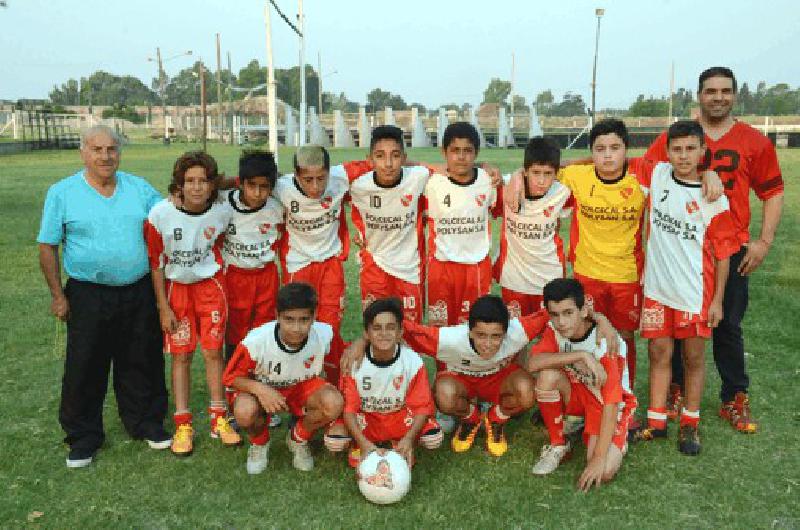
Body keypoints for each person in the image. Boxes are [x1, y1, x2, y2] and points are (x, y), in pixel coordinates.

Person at [643, 67, 784, 433]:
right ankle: (674, 391)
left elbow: (773, 192)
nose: (717, 97)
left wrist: (763, 241)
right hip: (680, 247)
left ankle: (734, 397)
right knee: (675, 326)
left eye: (725, 91)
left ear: (735, 95)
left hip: (728, 247)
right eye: (710, 91)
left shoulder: (754, 141)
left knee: (725, 325)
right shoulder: (678, 137)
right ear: (699, 95)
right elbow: (650, 170)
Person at [37, 125, 170, 468]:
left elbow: (173, 210)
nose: (105, 156)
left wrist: (222, 185)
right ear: (83, 152)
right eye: (97, 149)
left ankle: (146, 422)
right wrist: (57, 296)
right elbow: (48, 246)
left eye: (111, 149)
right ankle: (83, 437)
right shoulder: (62, 193)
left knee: (142, 358)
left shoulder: (138, 188)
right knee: (85, 365)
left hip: (138, 289)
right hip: (87, 292)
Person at [344, 295, 620, 457]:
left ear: (507, 330)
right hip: (463, 382)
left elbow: (559, 310)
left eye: (496, 337)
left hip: (499, 380)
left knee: (527, 388)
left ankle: (495, 420)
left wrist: (602, 320)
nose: (488, 344)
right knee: (443, 393)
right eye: (481, 336)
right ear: (469, 330)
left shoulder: (518, 330)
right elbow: (397, 329)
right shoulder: (448, 339)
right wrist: (361, 341)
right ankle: (470, 420)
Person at [633, 121, 739, 454]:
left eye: (691, 149)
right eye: (677, 149)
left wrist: (718, 300)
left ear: (702, 152)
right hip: (657, 289)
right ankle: (657, 421)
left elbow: (723, 256)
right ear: (666, 152)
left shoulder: (714, 199)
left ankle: (690, 424)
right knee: (659, 353)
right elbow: (607, 163)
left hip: (695, 293)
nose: (683, 156)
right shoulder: (658, 175)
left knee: (693, 357)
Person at [144, 151, 242, 457]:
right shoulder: (160, 214)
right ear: (179, 184)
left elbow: (247, 184)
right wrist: (163, 307)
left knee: (213, 353)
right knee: (181, 356)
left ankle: (218, 418)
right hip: (176, 292)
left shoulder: (222, 212)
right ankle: (183, 424)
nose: (197, 187)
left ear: (213, 185)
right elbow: (156, 263)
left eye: (203, 181)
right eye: (190, 181)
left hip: (211, 288)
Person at [223, 282, 345, 474]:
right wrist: (261, 390)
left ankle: (298, 438)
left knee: (333, 402)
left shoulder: (325, 335)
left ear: (314, 316)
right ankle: (260, 444)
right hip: (264, 389)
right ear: (277, 316)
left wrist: (338, 421)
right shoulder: (256, 341)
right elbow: (230, 378)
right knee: (245, 411)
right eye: (289, 319)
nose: (296, 328)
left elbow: (341, 370)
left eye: (304, 319)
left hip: (302, 388)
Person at [528, 278, 636, 491]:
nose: (561, 322)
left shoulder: (604, 343)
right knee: (547, 377)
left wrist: (597, 458)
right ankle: (558, 443)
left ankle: (620, 435)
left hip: (606, 404)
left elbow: (611, 403)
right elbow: (533, 364)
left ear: (584, 311)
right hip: (578, 392)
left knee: (603, 471)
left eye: (568, 313)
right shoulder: (554, 329)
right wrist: (580, 355)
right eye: (555, 314)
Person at [272, 145, 351, 385]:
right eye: (308, 180)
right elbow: (243, 181)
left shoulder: (342, 178)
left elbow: (376, 165)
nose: (315, 187)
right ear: (295, 175)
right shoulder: (281, 187)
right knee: (297, 330)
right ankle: (299, 389)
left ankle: (337, 387)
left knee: (330, 329)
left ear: (330, 172)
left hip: (330, 266)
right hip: (299, 266)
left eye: (321, 178)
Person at [337, 298, 442, 468]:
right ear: (366, 333)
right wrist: (363, 443)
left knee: (433, 438)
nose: (383, 333)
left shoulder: (412, 361)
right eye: (376, 328)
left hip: (398, 416)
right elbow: (349, 410)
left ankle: (400, 441)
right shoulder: (354, 360)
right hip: (367, 417)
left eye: (391, 328)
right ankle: (360, 443)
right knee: (334, 440)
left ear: (400, 332)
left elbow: (422, 406)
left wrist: (409, 438)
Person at [347, 126, 430, 322]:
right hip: (374, 267)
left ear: (404, 158)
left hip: (410, 270)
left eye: (395, 155)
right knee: (376, 330)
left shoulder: (418, 177)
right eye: (380, 156)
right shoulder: (357, 185)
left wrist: (486, 166)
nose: (388, 164)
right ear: (370, 159)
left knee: (410, 333)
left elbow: (456, 171)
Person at [423, 122, 498, 327]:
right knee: (442, 331)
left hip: (476, 268)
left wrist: (486, 166)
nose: (461, 157)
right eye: (455, 151)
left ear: (476, 153)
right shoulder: (431, 183)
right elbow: (406, 165)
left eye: (468, 151)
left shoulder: (488, 181)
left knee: (475, 327)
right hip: (442, 268)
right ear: (444, 152)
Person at [493, 137, 573, 318]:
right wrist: (515, 175)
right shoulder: (507, 188)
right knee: (516, 337)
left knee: (553, 337)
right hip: (514, 280)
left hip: (550, 277)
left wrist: (518, 172)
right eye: (536, 173)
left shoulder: (563, 192)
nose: (542, 181)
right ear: (526, 171)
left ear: (556, 173)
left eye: (548, 173)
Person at [221, 150, 284, 357]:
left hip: (266, 277)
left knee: (265, 332)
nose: (257, 193)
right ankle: (233, 383)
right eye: (251, 186)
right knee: (235, 334)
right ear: (241, 183)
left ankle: (261, 382)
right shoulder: (223, 203)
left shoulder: (278, 207)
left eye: (264, 187)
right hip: (235, 277)